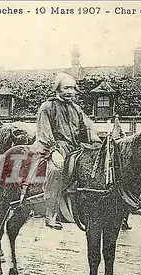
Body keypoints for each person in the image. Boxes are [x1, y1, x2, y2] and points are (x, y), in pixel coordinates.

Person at [36, 73, 101, 229]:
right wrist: (53, 151)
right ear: (58, 89)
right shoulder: (47, 107)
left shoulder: (76, 109)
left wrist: (96, 140)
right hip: (56, 148)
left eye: (72, 88)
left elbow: (86, 130)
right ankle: (51, 213)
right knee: (56, 170)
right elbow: (44, 132)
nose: (70, 91)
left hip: (75, 148)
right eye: (66, 88)